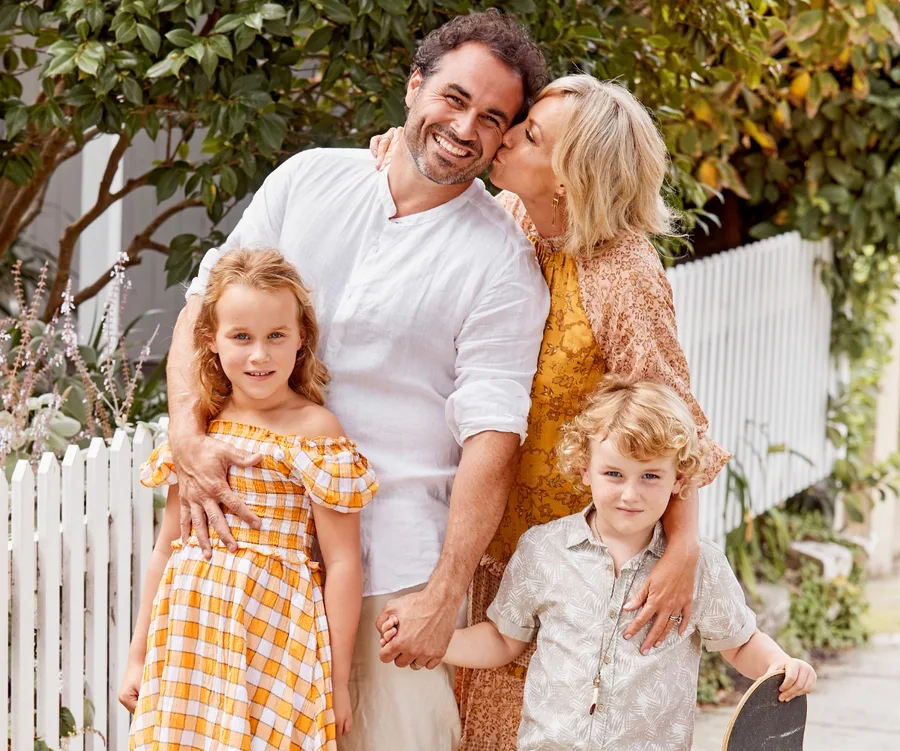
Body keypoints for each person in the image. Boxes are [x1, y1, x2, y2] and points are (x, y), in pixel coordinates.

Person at [164, 11, 550, 751]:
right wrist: (185, 433)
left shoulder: (501, 262)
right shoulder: (310, 178)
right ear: (414, 87)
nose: (466, 127)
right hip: (242, 548)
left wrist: (444, 589)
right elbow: (201, 309)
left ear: (504, 138)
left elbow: (492, 436)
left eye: (493, 118)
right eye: (454, 98)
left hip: (389, 570)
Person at [371, 76, 733, 749]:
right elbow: (429, 180)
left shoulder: (622, 273)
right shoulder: (507, 214)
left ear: (569, 178)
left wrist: (682, 545)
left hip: (562, 574)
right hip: (476, 542)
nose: (507, 135)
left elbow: (670, 421)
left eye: (531, 135)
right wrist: (394, 148)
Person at [380, 377, 816, 751]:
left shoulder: (696, 567)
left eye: (650, 476)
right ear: (585, 468)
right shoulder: (543, 550)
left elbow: (739, 642)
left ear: (678, 479)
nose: (630, 494)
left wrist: (782, 667)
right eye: (614, 474)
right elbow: (503, 639)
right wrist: (436, 642)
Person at [119, 250, 379, 750]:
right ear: (211, 342)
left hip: (278, 636)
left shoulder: (317, 433)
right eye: (241, 337)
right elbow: (165, 547)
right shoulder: (200, 430)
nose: (259, 355)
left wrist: (336, 680)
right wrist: (137, 657)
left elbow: (343, 563)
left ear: (301, 338)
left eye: (275, 336)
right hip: (190, 634)